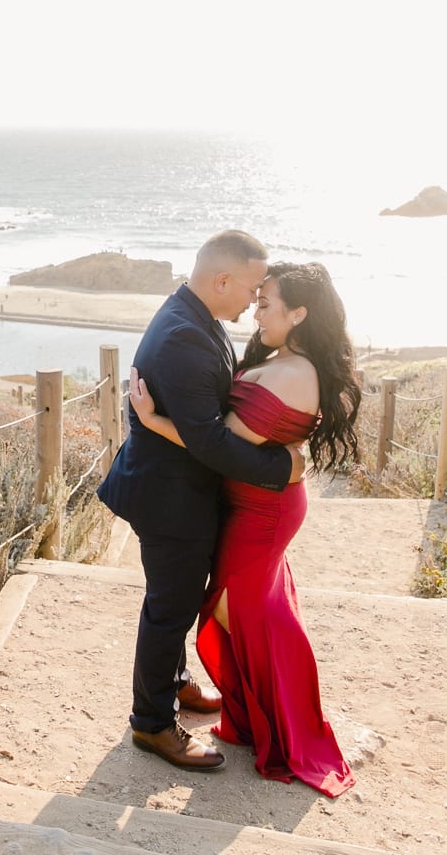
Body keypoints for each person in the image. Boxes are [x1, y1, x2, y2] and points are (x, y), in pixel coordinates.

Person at [129, 260, 362, 797]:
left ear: (299, 313)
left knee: (246, 611)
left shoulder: (291, 372)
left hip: (263, 512)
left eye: (267, 302)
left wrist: (152, 421)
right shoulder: (283, 358)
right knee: (240, 609)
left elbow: (218, 447)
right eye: (255, 299)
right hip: (253, 503)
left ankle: (288, 724)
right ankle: (259, 717)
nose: (256, 311)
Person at [96, 230, 305, 773]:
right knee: (169, 609)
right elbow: (210, 441)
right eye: (253, 287)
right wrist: (283, 468)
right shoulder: (184, 337)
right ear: (222, 280)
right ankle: (152, 724)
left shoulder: (195, 314)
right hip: (170, 499)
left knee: (182, 598)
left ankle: (174, 680)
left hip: (176, 490)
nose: (254, 300)